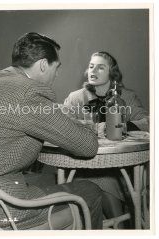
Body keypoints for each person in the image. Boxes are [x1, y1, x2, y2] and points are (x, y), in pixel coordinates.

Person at [0, 32, 103, 230]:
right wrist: (88, 127)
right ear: (43, 65)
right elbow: (88, 146)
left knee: (46, 178)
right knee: (91, 190)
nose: (57, 74)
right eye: (56, 67)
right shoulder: (28, 92)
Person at [63, 51, 149, 222]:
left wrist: (120, 125)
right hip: (86, 163)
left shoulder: (126, 97)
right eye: (91, 66)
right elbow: (63, 124)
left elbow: (148, 122)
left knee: (108, 179)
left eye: (101, 67)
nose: (93, 71)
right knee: (98, 179)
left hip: (123, 165)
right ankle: (119, 229)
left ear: (112, 72)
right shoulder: (76, 98)